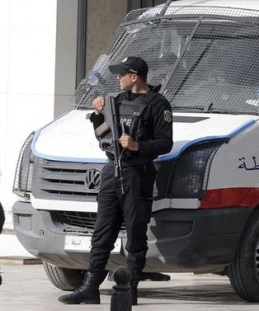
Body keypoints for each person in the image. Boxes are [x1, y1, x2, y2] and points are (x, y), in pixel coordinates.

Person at [58, 56, 173, 305]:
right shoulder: (116, 102)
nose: (117, 78)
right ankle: (90, 287)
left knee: (135, 232)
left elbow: (165, 143)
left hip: (138, 172)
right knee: (102, 232)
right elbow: (103, 137)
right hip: (112, 170)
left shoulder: (157, 104)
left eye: (122, 74)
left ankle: (129, 288)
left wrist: (137, 145)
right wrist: (99, 115)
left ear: (135, 76)